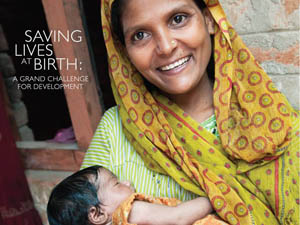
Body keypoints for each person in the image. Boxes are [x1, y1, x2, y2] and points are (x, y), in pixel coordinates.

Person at [82, 0, 300, 224]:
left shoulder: (279, 125)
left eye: (178, 19)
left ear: (209, 20)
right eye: (140, 35)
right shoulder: (115, 131)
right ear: (124, 51)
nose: (166, 47)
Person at [47, 165, 229, 225]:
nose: (127, 183)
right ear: (97, 214)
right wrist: (214, 198)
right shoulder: (132, 212)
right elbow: (179, 217)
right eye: (116, 183)